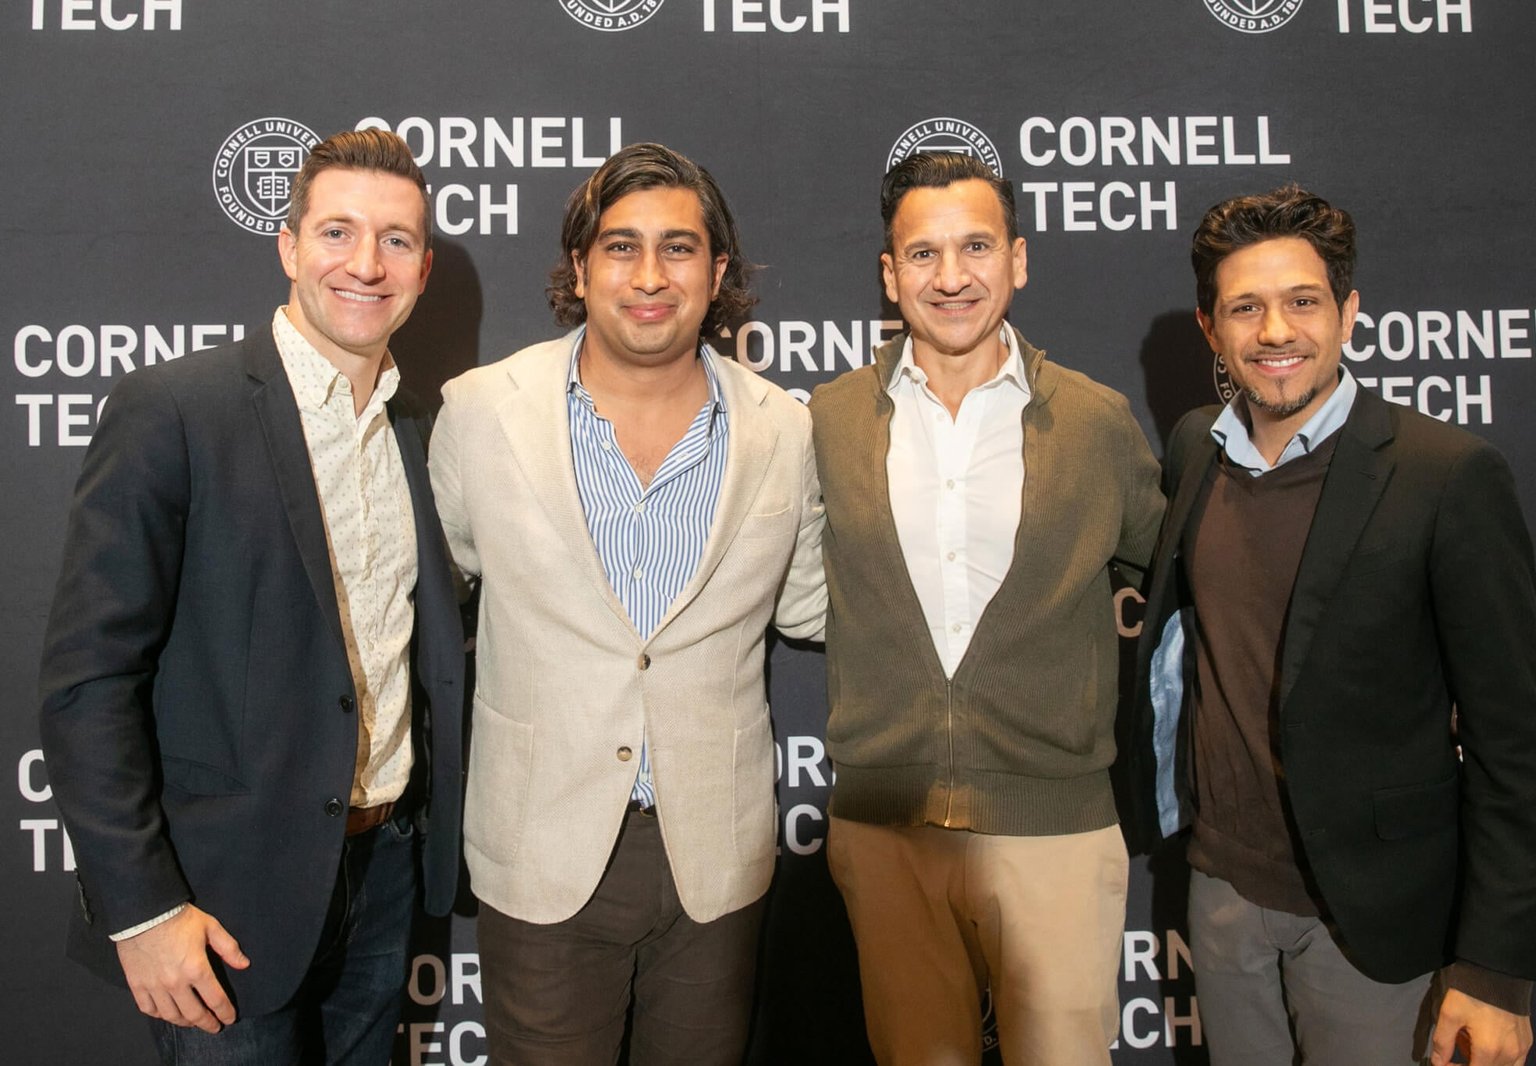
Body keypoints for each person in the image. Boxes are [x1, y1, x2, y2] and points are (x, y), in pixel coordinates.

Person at [37, 128, 464, 1065]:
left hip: (386, 874)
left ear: (423, 270)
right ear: (288, 247)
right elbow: (88, 682)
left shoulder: (425, 430)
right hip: (220, 900)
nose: (366, 264)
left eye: (396, 241)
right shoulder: (174, 410)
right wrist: (142, 908)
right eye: (337, 232)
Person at [1122, 185, 1536, 1066]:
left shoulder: (1446, 475)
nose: (1276, 331)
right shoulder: (1197, 447)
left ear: (1349, 313)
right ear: (1211, 329)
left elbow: (1510, 743)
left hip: (1372, 917)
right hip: (1220, 894)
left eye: (1303, 302)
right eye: (1246, 308)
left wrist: (1497, 971)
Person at [428, 142, 826, 1065]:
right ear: (579, 267)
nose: (650, 277)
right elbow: (430, 608)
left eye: (679, 248)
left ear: (717, 273)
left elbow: (817, 604)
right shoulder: (481, 414)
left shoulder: (784, 428)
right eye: (621, 247)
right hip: (541, 847)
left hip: (713, 860)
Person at [808, 151, 1166, 1066]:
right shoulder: (828, 419)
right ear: (891, 275)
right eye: (922, 254)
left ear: (1018, 259)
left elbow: (1174, 586)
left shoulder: (1094, 422)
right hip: (885, 831)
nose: (951, 277)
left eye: (975, 247)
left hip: (1057, 831)